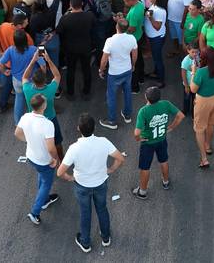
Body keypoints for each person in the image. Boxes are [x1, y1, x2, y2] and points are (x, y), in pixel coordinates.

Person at [57, 113, 126, 253]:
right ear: (94, 128)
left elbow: (60, 172)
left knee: (85, 212)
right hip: (100, 182)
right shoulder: (104, 142)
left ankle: (85, 242)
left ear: (78, 129)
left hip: (82, 185)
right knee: (102, 209)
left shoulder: (74, 148)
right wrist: (111, 169)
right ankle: (106, 238)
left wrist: (70, 178)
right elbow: (120, 158)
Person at [15, 94, 60, 225]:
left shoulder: (26, 117)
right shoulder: (47, 124)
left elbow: (17, 133)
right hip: (44, 160)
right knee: (47, 183)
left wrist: (29, 141)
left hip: (31, 156)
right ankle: (35, 212)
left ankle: (45, 199)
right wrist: (55, 159)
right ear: (43, 106)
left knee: (42, 176)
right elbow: (51, 148)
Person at [132, 86, 184, 199]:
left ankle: (142, 191)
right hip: (161, 139)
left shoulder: (143, 111)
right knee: (163, 160)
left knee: (145, 167)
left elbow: (137, 133)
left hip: (148, 143)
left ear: (146, 98)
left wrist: (138, 139)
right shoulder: (166, 104)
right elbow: (180, 116)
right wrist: (171, 127)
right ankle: (166, 182)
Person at [22, 44, 64, 160]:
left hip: (34, 121)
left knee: (39, 142)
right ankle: (60, 160)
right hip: (50, 119)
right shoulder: (50, 90)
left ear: (33, 81)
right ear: (45, 80)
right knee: (57, 142)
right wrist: (48, 60)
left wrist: (33, 60)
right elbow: (57, 75)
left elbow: (24, 77)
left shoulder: (27, 89)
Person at [189, 46, 214, 168]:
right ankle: (208, 145)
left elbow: (193, 89)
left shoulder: (201, 72)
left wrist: (193, 72)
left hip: (203, 101)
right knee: (211, 124)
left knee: (199, 129)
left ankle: (204, 158)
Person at [99, 19, 138, 130]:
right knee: (127, 92)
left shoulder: (110, 41)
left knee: (111, 96)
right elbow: (135, 54)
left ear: (117, 26)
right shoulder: (132, 38)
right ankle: (127, 115)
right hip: (127, 70)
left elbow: (104, 59)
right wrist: (133, 65)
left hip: (114, 73)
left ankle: (112, 121)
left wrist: (101, 70)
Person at [57, 0, 96, 98]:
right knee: (86, 70)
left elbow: (59, 31)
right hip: (86, 47)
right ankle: (86, 92)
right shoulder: (90, 16)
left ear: (70, 4)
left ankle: (70, 93)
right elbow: (94, 27)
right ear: (82, 4)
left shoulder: (65, 19)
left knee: (71, 70)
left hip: (70, 49)